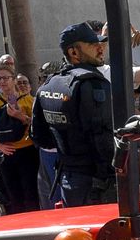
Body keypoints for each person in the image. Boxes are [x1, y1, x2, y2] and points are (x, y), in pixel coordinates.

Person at [31, 23, 117, 206]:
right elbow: (104, 141)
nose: (100, 48)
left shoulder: (49, 85)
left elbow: (40, 138)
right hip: (98, 186)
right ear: (74, 52)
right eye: (93, 45)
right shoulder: (92, 83)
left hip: (68, 180)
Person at [0, 73, 40, 214]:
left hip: (27, 152)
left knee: (31, 193)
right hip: (7, 153)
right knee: (13, 194)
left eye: (6, 78)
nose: (2, 81)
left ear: (13, 80)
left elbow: (37, 124)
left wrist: (20, 117)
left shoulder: (29, 100)